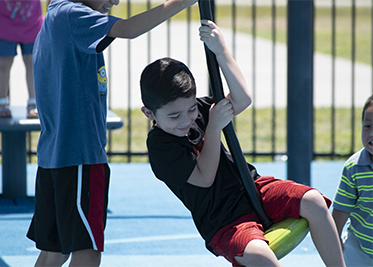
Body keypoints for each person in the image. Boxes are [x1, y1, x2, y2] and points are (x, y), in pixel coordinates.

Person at [140, 20, 346, 267]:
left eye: (191, 108)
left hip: (252, 189)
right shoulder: (160, 146)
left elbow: (242, 99)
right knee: (260, 255)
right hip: (224, 220)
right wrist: (214, 127)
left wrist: (221, 51)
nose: (186, 119)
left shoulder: (203, 111)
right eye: (174, 116)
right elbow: (205, 177)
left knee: (313, 200)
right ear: (149, 113)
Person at [25, 0, 198, 266]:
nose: (116, 1)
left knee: (54, 252)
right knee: (87, 250)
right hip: (80, 158)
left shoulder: (55, 17)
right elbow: (129, 28)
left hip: (54, 157)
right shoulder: (73, 16)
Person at [0, 0, 44, 118]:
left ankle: (33, 101)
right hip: (5, 19)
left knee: (31, 62)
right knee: (4, 63)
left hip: (30, 17)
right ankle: (2, 101)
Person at [332, 94, 373, 266]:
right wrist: (335, 238)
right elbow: (341, 208)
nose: (371, 133)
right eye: (367, 126)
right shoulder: (355, 167)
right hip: (361, 246)